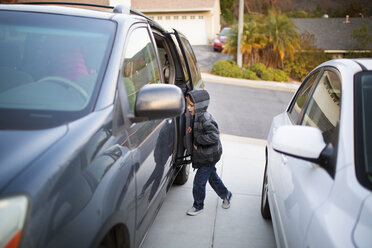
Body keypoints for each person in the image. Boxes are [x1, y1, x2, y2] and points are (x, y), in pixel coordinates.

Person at [185, 89, 232, 216]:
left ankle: (198, 206)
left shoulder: (205, 118)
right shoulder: (195, 116)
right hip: (205, 155)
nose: (189, 108)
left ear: (200, 105)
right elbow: (197, 129)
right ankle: (226, 194)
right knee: (212, 177)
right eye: (188, 104)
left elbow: (214, 136)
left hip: (210, 155)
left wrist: (198, 140)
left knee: (199, 182)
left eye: (191, 105)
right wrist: (191, 131)